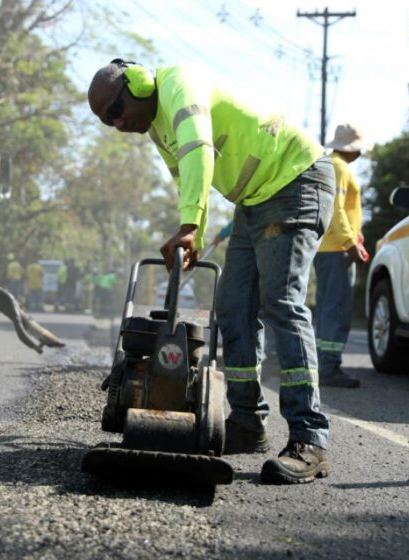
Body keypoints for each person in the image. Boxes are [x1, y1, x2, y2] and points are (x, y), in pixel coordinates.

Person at [88, 60, 335, 484]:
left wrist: (188, 226)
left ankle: (309, 437)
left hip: (297, 181)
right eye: (106, 121)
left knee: (281, 303)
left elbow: (199, 148)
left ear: (137, 84)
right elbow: (188, 175)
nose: (116, 123)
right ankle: (246, 421)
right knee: (234, 309)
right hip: (255, 201)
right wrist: (194, 234)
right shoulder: (157, 128)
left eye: (115, 110)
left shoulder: (178, 85)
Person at [315, 124, 372, 388]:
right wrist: (350, 243)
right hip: (337, 250)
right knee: (336, 311)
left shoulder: (332, 163)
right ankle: (328, 367)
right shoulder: (339, 167)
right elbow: (336, 209)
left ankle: (322, 365)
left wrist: (354, 237)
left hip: (330, 249)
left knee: (328, 309)